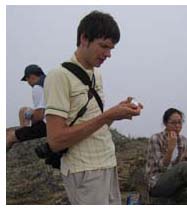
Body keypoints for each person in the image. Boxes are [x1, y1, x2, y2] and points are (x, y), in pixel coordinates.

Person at [44, 11, 143, 205]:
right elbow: (55, 141)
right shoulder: (59, 76)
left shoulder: (96, 74)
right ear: (84, 38)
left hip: (107, 162)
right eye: (104, 46)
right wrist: (107, 116)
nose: (108, 54)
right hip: (84, 170)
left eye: (112, 48)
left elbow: (92, 121)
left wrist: (117, 112)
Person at [6, 64, 46, 151]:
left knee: (9, 136)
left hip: (47, 126)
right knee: (23, 110)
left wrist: (31, 119)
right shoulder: (49, 82)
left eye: (27, 80)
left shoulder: (37, 87)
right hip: (60, 121)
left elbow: (39, 116)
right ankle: (23, 130)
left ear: (30, 77)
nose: (28, 83)